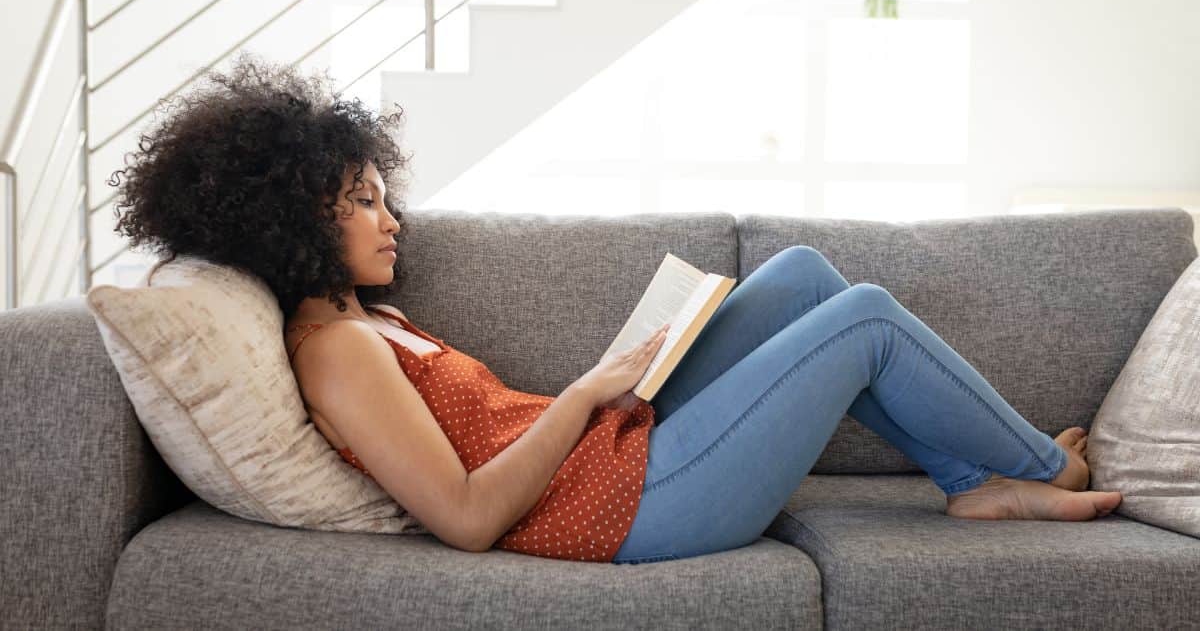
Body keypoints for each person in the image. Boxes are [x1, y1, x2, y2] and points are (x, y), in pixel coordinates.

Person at [108, 52, 1122, 565]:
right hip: (632, 509)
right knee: (860, 317)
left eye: (382, 193)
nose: (391, 219)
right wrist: (590, 388)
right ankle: (1040, 469)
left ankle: (966, 477)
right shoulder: (332, 350)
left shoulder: (369, 318)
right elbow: (464, 519)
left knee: (807, 274)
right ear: (290, 217)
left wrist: (618, 384)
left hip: (622, 453)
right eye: (360, 201)